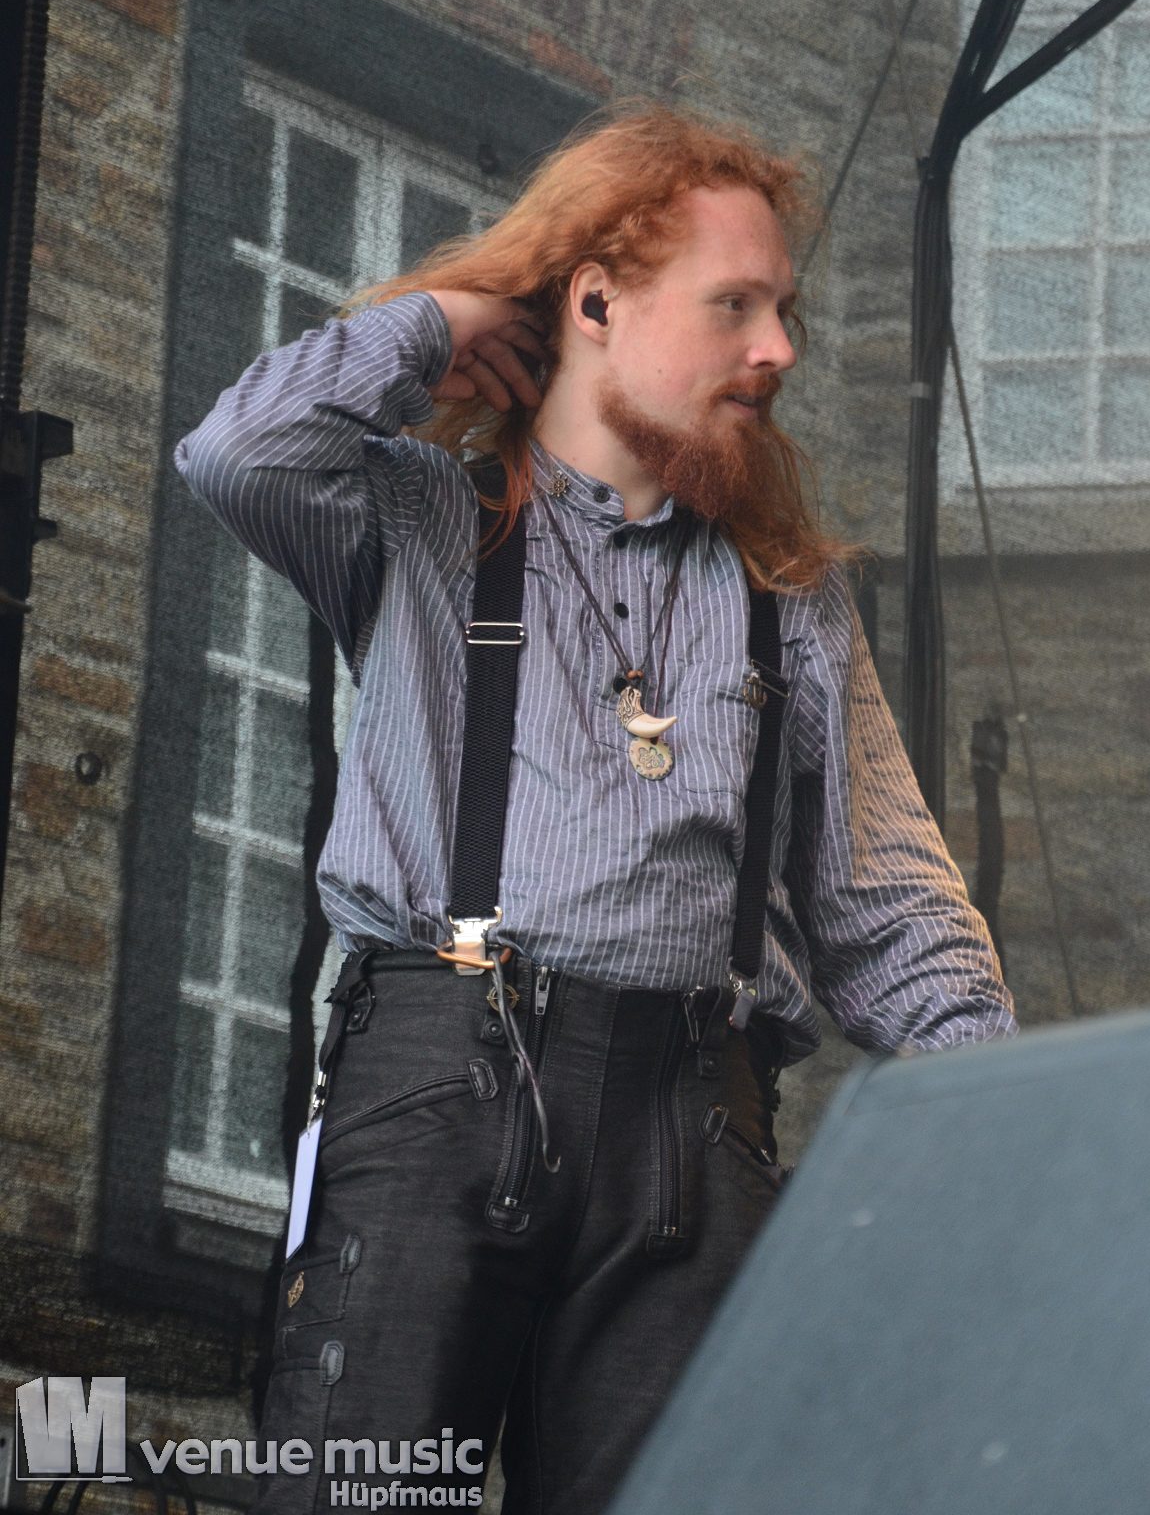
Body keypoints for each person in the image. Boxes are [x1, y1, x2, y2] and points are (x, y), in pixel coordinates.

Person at [174, 102, 1016, 1515]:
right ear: (596, 301)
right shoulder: (419, 519)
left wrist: (1006, 1121)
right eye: (736, 305)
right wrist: (437, 323)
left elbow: (893, 909)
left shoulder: (793, 601)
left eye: (786, 312)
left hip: (695, 1128)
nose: (779, 351)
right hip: (435, 1089)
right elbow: (234, 454)